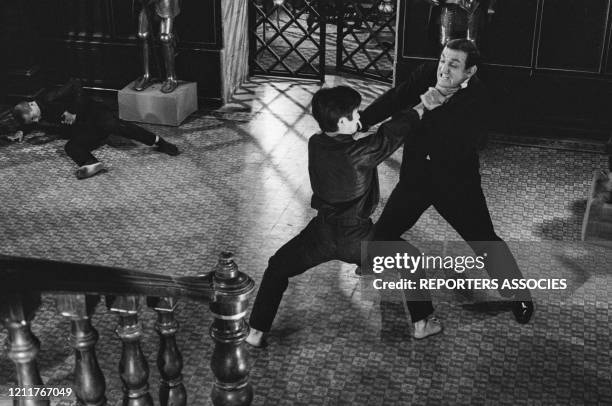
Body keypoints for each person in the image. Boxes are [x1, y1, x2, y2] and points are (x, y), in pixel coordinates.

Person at [246, 85, 445, 348]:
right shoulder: (361, 153)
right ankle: (422, 324)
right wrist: (422, 107)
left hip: (320, 235)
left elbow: (345, 139)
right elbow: (389, 136)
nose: (359, 117)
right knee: (412, 260)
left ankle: (256, 331)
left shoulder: (316, 143)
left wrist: (351, 128)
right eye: (354, 114)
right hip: (358, 238)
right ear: (342, 121)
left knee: (277, 267)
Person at [359, 38, 534, 324]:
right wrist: (363, 120)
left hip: (456, 183)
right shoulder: (425, 76)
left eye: (454, 64)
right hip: (416, 179)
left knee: (484, 240)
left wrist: (433, 105)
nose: (443, 68)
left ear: (470, 71)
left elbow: (467, 140)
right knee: (383, 234)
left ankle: (519, 295)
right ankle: (374, 265)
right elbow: (395, 98)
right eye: (443, 60)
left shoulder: (481, 98)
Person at [11, 78, 179, 179]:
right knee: (70, 147)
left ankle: (159, 142)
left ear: (32, 104)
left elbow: (75, 82)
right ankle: (91, 164)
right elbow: (30, 121)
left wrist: (73, 111)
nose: (37, 120)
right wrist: (22, 130)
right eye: (33, 120)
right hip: (87, 128)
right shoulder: (35, 112)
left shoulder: (49, 98)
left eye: (34, 117)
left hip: (96, 114)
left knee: (115, 125)